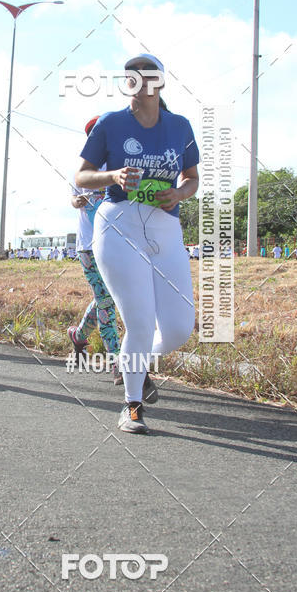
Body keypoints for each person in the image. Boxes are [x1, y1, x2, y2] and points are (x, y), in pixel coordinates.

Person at [76, 54, 199, 434]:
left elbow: (192, 178)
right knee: (140, 322)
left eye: (151, 76)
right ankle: (131, 406)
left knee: (180, 328)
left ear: (161, 82)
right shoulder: (111, 124)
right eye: (135, 76)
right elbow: (81, 176)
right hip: (119, 226)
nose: (143, 81)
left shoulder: (180, 126)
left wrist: (179, 194)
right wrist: (113, 174)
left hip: (165, 228)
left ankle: (131, 361)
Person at [68, 117, 122, 382]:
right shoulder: (84, 168)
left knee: (107, 299)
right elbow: (73, 195)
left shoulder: (119, 167)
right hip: (89, 247)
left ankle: (78, 336)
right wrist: (76, 200)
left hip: (116, 245)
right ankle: (117, 361)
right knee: (105, 301)